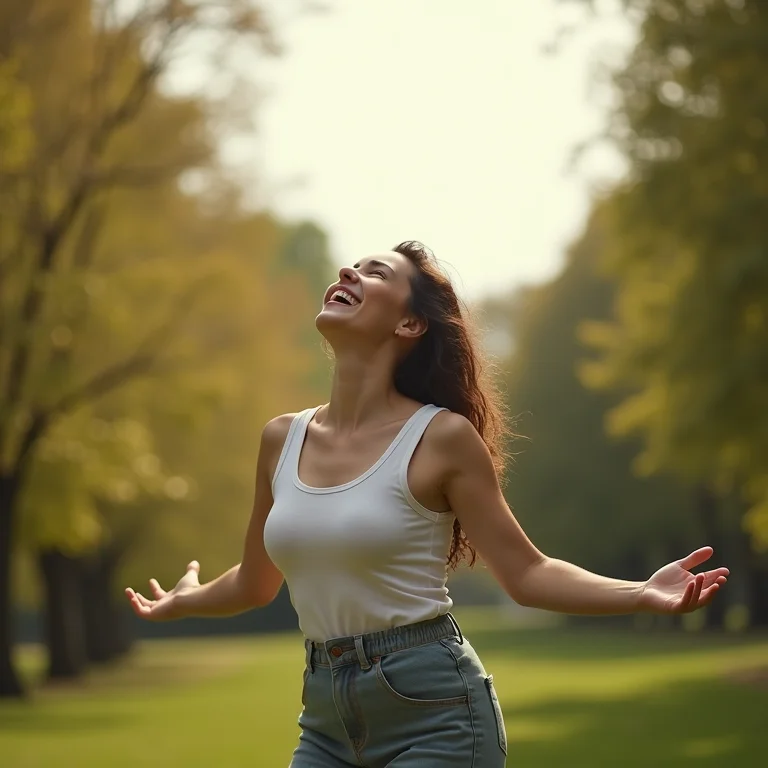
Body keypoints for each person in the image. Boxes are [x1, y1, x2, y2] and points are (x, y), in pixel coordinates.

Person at [125, 241, 729, 767]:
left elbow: (526, 572)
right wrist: (186, 602)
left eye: (376, 272)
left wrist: (641, 592)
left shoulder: (440, 439)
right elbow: (256, 582)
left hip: (437, 714)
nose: (349, 273)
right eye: (351, 266)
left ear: (410, 325)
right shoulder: (280, 439)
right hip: (326, 722)